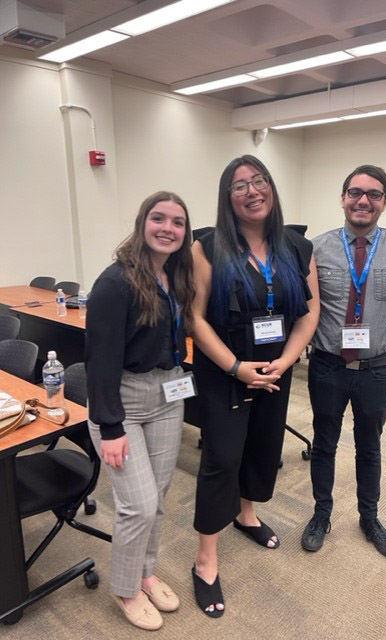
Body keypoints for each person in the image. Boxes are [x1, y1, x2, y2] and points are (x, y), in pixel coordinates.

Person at [191, 154, 320, 617]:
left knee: (262, 447)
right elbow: (195, 319)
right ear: (228, 198)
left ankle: (246, 514)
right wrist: (236, 367)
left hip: (276, 370)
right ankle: (206, 559)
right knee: (222, 458)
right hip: (226, 370)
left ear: (271, 188)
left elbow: (309, 313)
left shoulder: (296, 248)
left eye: (259, 180)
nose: (252, 190)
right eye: (240, 185)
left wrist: (285, 361)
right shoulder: (207, 248)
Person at [301, 164, 386, 559]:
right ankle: (322, 514)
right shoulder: (315, 250)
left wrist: (380, 338)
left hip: (376, 370)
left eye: (373, 194)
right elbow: (307, 309)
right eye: (355, 192)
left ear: (384, 203)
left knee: (369, 446)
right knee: (324, 444)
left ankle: (369, 518)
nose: (363, 200)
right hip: (327, 367)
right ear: (342, 199)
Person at [86, 191, 194, 631]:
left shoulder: (176, 275)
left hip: (168, 393)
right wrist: (110, 425)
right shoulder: (115, 282)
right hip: (123, 400)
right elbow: (100, 358)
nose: (168, 228)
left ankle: (146, 572)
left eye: (178, 222)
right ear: (142, 223)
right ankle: (126, 588)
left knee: (160, 497)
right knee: (139, 505)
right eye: (159, 218)